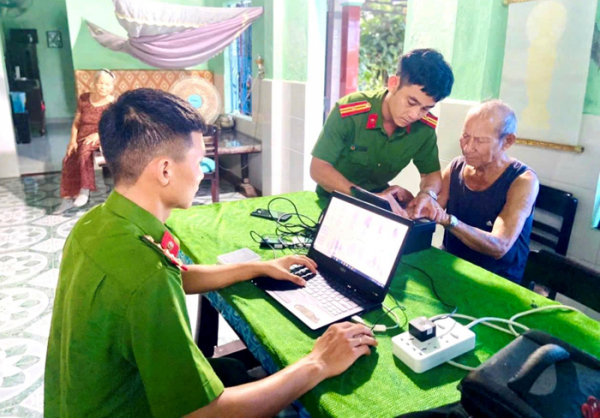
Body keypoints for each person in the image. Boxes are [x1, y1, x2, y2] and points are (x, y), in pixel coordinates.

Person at [45, 89, 376, 418]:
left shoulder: (95, 224)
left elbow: (175, 274)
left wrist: (257, 267)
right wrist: (317, 362)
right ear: (164, 170)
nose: (203, 171)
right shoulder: (149, 278)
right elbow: (204, 413)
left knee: (231, 369)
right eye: (198, 160)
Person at [310, 48, 454, 217]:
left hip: (381, 208)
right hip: (332, 201)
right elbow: (318, 169)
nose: (415, 114)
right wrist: (369, 198)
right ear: (393, 84)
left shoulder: (423, 128)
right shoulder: (351, 112)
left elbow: (431, 173)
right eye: (411, 102)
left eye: (425, 108)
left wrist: (427, 194)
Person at [426, 100, 539, 283]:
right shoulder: (456, 167)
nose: (468, 147)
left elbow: (499, 246)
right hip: (452, 263)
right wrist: (413, 202)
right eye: (465, 136)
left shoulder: (523, 181)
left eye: (480, 140)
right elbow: (431, 206)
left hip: (497, 278)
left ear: (507, 141)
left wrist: (448, 221)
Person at [53, 69, 116, 214]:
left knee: (84, 151)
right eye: (100, 83)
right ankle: (67, 199)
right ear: (94, 83)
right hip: (81, 136)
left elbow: (114, 126)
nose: (103, 87)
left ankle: (85, 189)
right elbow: (76, 122)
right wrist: (72, 141)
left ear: (112, 87)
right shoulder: (84, 98)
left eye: (107, 85)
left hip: (102, 136)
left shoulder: (112, 104)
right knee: (69, 158)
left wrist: (98, 135)